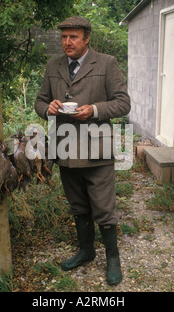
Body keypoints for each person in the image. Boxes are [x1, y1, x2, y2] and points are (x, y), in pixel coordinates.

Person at [34, 16, 131, 285]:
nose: (67, 42)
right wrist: (47, 109)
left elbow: (123, 103)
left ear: (87, 38)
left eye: (73, 37)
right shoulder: (53, 66)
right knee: (78, 206)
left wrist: (94, 110)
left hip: (96, 148)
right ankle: (86, 251)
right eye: (64, 37)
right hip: (64, 148)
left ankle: (113, 259)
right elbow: (40, 101)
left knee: (103, 207)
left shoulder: (106, 63)